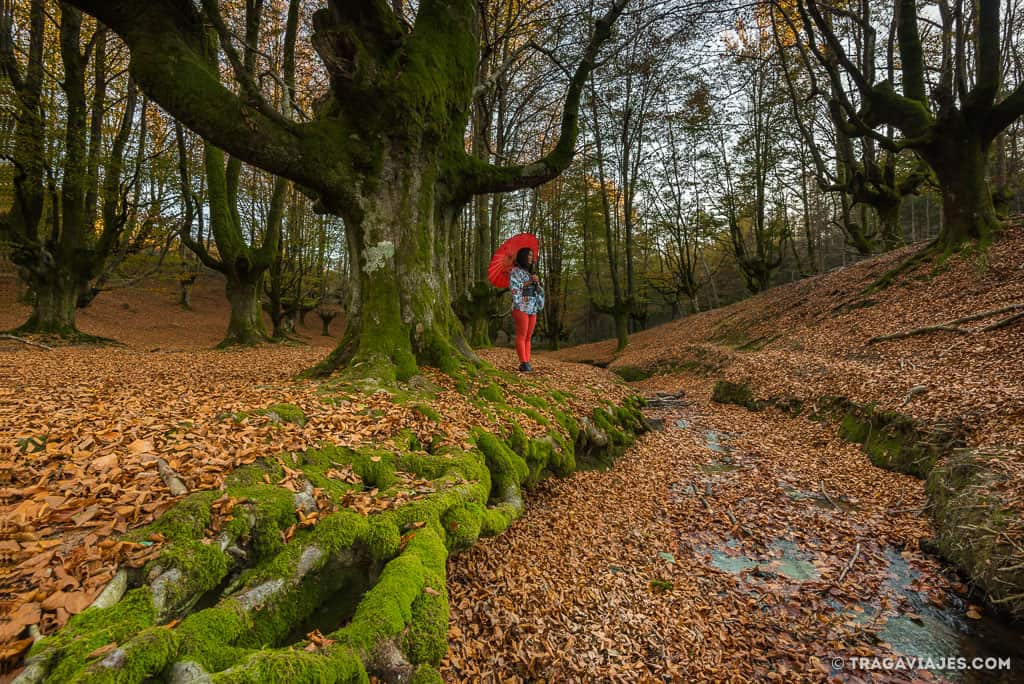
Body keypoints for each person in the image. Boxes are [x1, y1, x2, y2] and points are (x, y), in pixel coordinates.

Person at [509, 247, 544, 372]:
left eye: (532, 255)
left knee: (529, 337)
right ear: (523, 256)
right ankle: (523, 362)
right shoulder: (515, 271)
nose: (531, 257)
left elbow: (539, 291)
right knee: (522, 335)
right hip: (521, 306)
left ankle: (527, 361)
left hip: (532, 307)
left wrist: (538, 285)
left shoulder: (531, 273)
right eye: (529, 255)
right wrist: (529, 282)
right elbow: (514, 288)